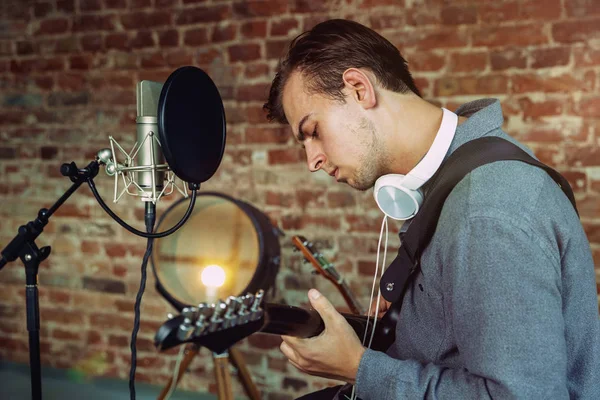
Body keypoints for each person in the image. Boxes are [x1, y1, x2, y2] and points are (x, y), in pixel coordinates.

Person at [262, 19, 600, 399]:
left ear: (359, 89)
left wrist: (360, 368)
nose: (312, 160)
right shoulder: (458, 178)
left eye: (313, 131)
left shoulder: (488, 210)